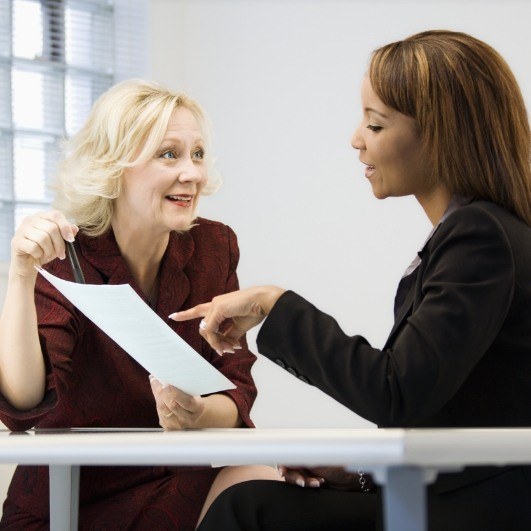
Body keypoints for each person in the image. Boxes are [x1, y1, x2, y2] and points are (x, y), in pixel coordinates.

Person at [173, 30, 531, 530]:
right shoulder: (476, 234)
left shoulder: (480, 236)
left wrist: (275, 306)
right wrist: (361, 473)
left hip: (481, 511)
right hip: (459, 495)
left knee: (249, 509)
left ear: (439, 132)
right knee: (252, 502)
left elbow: (396, 391)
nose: (356, 138)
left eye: (375, 123)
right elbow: (443, 409)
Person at [0, 79, 280, 530]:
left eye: (198, 154)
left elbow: (235, 386)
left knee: (264, 486)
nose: (193, 173)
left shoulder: (214, 245)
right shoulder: (68, 252)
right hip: (72, 498)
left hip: (175, 485)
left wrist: (197, 414)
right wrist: (20, 272)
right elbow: (23, 402)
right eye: (169, 154)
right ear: (114, 167)